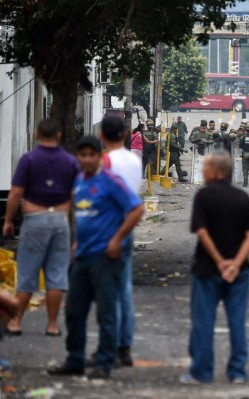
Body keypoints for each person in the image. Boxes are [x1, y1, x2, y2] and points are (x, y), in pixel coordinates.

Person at [48, 135, 143, 380]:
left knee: (106, 313)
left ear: (99, 157)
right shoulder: (78, 181)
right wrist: (77, 241)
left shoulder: (111, 181)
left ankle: (104, 361)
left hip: (105, 257)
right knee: (74, 311)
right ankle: (75, 359)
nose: (87, 159)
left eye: (92, 154)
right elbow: (82, 214)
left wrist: (117, 239)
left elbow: (136, 209)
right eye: (83, 155)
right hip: (82, 256)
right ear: (78, 158)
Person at [180, 150, 249, 385]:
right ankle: (237, 372)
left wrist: (220, 261)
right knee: (237, 322)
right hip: (239, 271)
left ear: (215, 170)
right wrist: (235, 263)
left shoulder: (203, 196)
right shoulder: (242, 197)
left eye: (205, 167)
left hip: (207, 270)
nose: (202, 171)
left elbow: (202, 232)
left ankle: (202, 372)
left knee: (203, 323)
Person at [2, 119, 79, 337]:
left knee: (27, 273)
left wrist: (8, 220)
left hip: (35, 219)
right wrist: (75, 228)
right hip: (60, 220)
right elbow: (75, 196)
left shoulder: (29, 159)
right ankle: (52, 325)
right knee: (56, 276)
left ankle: (16, 322)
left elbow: (16, 193)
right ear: (58, 136)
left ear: (37, 135)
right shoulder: (69, 161)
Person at [100, 115, 143, 367]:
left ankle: (112, 344)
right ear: (126, 135)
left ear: (103, 137)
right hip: (129, 223)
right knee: (124, 289)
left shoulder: (105, 162)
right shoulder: (133, 161)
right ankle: (124, 345)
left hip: (109, 226)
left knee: (110, 290)